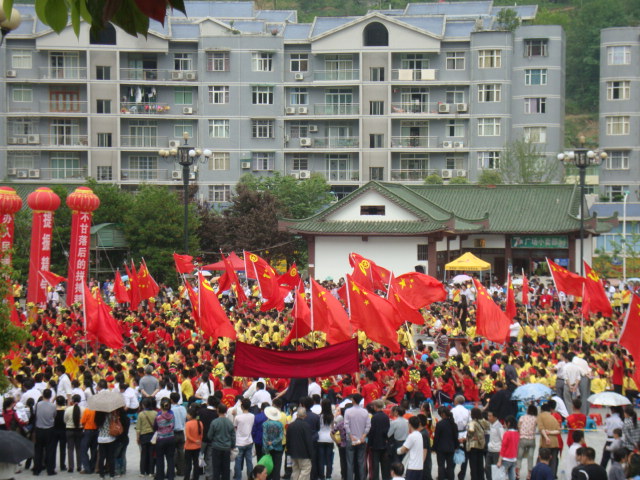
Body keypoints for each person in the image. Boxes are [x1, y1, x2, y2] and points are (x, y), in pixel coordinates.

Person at [344, 394, 370, 480]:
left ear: (353, 400)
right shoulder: (365, 412)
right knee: (361, 462)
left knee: (349, 462)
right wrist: (364, 436)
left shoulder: (348, 411)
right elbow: (368, 426)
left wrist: (350, 435)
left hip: (351, 439)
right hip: (361, 439)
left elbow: (346, 425)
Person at [207, 403, 236, 480]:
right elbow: (233, 436)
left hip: (216, 448)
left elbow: (209, 436)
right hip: (226, 448)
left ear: (218, 410)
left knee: (216, 468)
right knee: (226, 469)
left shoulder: (214, 422)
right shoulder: (229, 422)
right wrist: (232, 446)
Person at [33, 388, 57, 476]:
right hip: (49, 429)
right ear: (50, 396)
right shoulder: (53, 406)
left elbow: (35, 414)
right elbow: (54, 415)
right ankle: (50, 470)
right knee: (50, 450)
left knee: (38, 450)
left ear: (43, 395)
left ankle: (37, 469)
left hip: (39, 429)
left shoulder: (38, 404)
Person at [287, 407, 314, 480]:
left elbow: (288, 440)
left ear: (297, 415)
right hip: (304, 453)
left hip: (293, 452)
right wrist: (311, 454)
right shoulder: (306, 426)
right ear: (305, 415)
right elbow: (308, 441)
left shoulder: (291, 425)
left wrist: (289, 452)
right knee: (305, 470)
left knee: (295, 470)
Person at [155, 397, 176, 480]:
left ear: (161, 406)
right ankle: (171, 476)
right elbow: (173, 426)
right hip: (171, 437)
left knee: (160, 458)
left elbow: (155, 427)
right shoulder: (172, 415)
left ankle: (160, 476)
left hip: (161, 439)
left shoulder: (158, 416)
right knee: (170, 458)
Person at [433, 406, 457, 480]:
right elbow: (455, 437)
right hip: (451, 448)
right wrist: (456, 446)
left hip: (441, 448)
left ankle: (441, 478)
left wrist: (434, 447)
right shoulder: (453, 424)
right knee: (450, 466)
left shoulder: (440, 424)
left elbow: (436, 437)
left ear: (443, 414)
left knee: (441, 466)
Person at [537, 403, 561, 478]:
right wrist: (550, 432)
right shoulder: (553, 418)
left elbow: (541, 429)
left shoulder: (541, 416)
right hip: (555, 443)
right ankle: (552, 476)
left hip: (545, 443)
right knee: (553, 462)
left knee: (542, 461)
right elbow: (558, 431)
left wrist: (546, 437)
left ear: (542, 410)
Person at [368, 400, 390, 480]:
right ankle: (386, 478)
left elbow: (372, 431)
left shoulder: (374, 417)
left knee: (375, 464)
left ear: (375, 407)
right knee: (385, 464)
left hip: (375, 443)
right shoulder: (386, 416)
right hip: (384, 443)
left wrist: (370, 443)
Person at [137, 397, 158, 478]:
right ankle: (151, 472)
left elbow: (138, 428)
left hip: (143, 436)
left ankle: (142, 472)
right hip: (152, 436)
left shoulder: (141, 414)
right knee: (151, 454)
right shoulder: (155, 413)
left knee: (143, 454)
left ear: (143, 405)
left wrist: (137, 438)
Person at [234, 398, 255, 480]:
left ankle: (238, 477)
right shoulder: (252, 416)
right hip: (249, 441)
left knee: (238, 462)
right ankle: (250, 477)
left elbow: (235, 427)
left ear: (242, 406)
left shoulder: (237, 417)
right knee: (249, 461)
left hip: (239, 442)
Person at [465, 408, 488, 480]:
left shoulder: (472, 423)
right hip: (481, 445)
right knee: (480, 464)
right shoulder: (484, 421)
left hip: (473, 446)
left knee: (473, 466)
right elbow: (488, 427)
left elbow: (470, 431)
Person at [262, 406, 284, 480]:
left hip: (268, 449)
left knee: (268, 467)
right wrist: (273, 442)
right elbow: (281, 437)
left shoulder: (265, 424)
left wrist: (267, 448)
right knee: (277, 467)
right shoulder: (280, 424)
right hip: (278, 448)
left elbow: (264, 438)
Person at [64, 394, 84, 473]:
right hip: (79, 429)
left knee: (70, 449)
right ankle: (79, 466)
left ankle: (70, 467)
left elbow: (65, 419)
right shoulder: (83, 409)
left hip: (69, 429)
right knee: (79, 448)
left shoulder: (68, 409)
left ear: (72, 400)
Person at [95, 409, 118, 480]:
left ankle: (101, 475)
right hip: (110, 438)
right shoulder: (110, 416)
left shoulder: (97, 417)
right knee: (110, 457)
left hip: (101, 438)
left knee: (101, 457)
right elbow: (115, 422)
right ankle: (112, 474)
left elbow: (96, 426)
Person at [517, 404, 538, 479]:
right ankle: (529, 474)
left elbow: (519, 426)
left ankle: (517, 473)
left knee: (519, 456)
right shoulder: (536, 418)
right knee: (530, 456)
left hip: (522, 438)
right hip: (531, 439)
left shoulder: (522, 417)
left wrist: (520, 432)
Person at [184, 405, 203, 480]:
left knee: (188, 464)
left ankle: (187, 477)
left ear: (191, 415)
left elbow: (188, 436)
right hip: (197, 446)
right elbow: (201, 434)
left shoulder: (188, 424)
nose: (186, 415)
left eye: (187, 414)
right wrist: (198, 441)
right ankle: (196, 477)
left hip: (189, 446)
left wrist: (194, 440)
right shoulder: (200, 423)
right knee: (196, 463)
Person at [316, 399, 334, 480]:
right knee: (329, 458)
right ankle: (328, 475)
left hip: (320, 438)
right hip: (329, 438)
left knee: (321, 459)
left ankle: (321, 476)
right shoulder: (332, 416)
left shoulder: (319, 416)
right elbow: (332, 428)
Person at [172, 392, 188, 478]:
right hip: (181, 432)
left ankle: (172, 470)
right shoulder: (183, 408)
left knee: (173, 452)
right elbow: (185, 418)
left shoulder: (171, 409)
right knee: (181, 452)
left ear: (171, 400)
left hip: (173, 432)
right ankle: (181, 470)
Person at [484, 411, 503, 480]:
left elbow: (503, 440)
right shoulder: (490, 425)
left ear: (495, 417)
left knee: (496, 470)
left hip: (497, 451)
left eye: (490, 416)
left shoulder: (499, 427)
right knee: (487, 468)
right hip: (490, 450)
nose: (488, 418)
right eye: (488, 416)